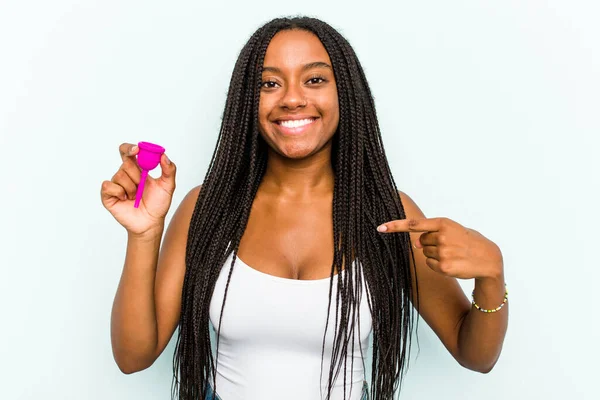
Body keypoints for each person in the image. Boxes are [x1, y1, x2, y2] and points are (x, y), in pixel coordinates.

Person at [101, 16, 508, 400]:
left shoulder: (388, 213)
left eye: (314, 79)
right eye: (269, 83)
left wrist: (491, 274)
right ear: (247, 100)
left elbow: (474, 354)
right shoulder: (207, 208)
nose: (293, 98)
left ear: (345, 92)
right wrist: (143, 235)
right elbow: (134, 357)